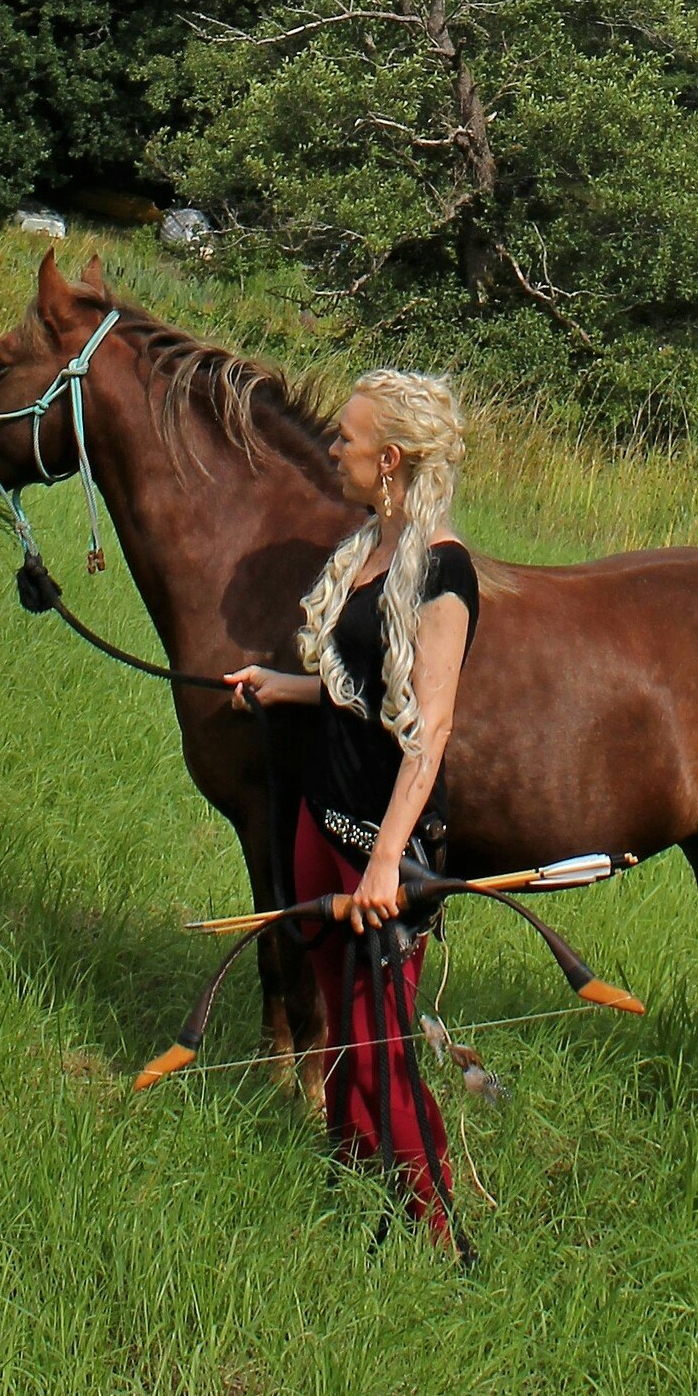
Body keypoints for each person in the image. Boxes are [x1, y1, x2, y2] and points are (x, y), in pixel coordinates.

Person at [225, 369, 479, 1245]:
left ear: (392, 459)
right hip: (319, 823)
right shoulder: (370, 544)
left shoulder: (443, 573)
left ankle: (435, 1220)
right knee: (340, 1031)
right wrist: (286, 688)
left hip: (384, 851)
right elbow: (360, 690)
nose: (335, 448)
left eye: (347, 438)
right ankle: (351, 1173)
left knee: (381, 1048)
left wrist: (382, 865)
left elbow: (429, 730)